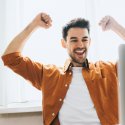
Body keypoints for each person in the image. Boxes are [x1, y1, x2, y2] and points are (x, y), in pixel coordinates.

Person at [1, 13, 125, 125]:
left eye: (84, 39)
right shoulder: (49, 74)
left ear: (90, 42)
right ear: (64, 43)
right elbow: (10, 57)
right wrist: (34, 24)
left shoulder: (108, 70)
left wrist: (116, 26)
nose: (80, 45)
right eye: (73, 40)